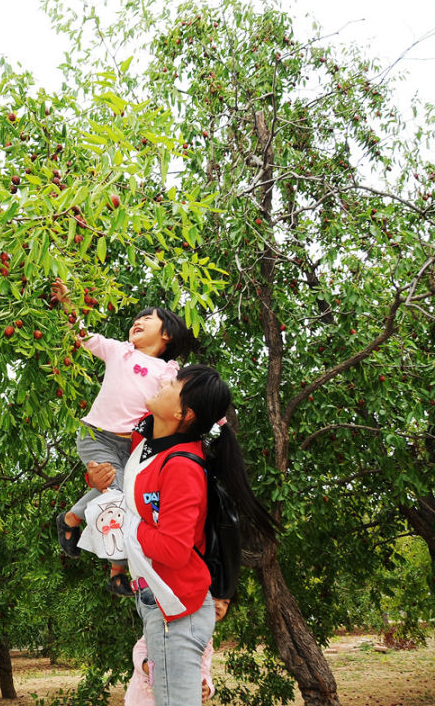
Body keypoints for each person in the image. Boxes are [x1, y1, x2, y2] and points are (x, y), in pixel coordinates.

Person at [123, 364, 276, 706]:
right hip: (163, 605)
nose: (164, 382)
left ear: (183, 413)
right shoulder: (152, 448)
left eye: (174, 383)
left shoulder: (181, 466)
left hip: (178, 612)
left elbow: (175, 550)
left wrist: (127, 526)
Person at [52, 282, 196, 596]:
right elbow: (84, 335)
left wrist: (219, 416)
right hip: (97, 436)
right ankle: (105, 556)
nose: (138, 321)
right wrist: (68, 303)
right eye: (137, 318)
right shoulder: (120, 351)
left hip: (132, 449)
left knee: (127, 502)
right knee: (117, 495)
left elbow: (191, 397)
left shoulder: (169, 372)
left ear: (167, 335)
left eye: (149, 318)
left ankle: (85, 533)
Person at [124, 597, 230, 706]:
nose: (219, 606)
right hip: (144, 698)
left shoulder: (206, 640)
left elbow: (203, 670)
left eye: (225, 603)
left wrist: (207, 688)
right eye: (213, 599)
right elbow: (139, 650)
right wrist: (148, 667)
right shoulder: (169, 623)